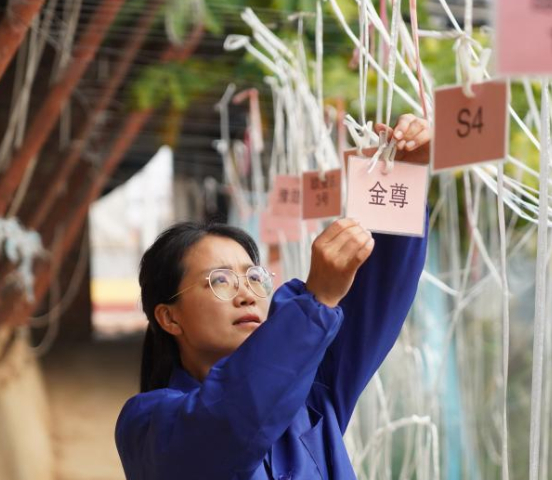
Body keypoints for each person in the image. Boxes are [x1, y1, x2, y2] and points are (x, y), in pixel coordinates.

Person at [115, 114, 431, 480]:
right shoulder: (146, 424)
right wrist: (313, 302)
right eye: (220, 280)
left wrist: (405, 178)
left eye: (253, 277)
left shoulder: (312, 390)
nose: (247, 295)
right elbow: (227, 420)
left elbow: (376, 297)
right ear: (169, 317)